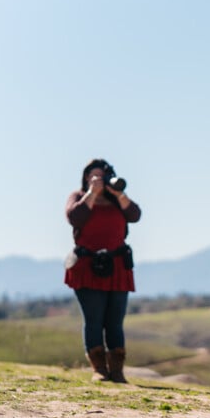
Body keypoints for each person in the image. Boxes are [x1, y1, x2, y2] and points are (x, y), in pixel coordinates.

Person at [65, 159, 141, 383]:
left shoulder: (117, 200)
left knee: (115, 320)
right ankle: (99, 369)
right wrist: (91, 193)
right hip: (88, 266)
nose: (98, 180)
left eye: (102, 176)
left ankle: (117, 371)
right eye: (93, 176)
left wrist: (117, 193)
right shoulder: (79, 197)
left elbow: (135, 215)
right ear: (86, 178)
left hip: (117, 265)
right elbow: (74, 217)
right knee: (94, 318)